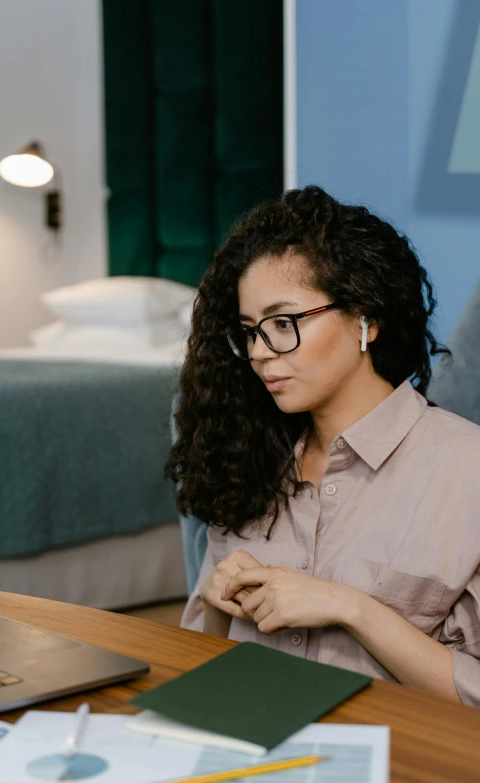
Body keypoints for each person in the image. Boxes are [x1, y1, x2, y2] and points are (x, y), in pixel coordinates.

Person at [166, 185, 480, 705]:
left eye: (284, 324)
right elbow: (199, 666)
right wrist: (220, 601)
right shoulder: (246, 456)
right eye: (249, 332)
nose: (261, 354)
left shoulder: (464, 471)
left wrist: (350, 607)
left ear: (366, 319)